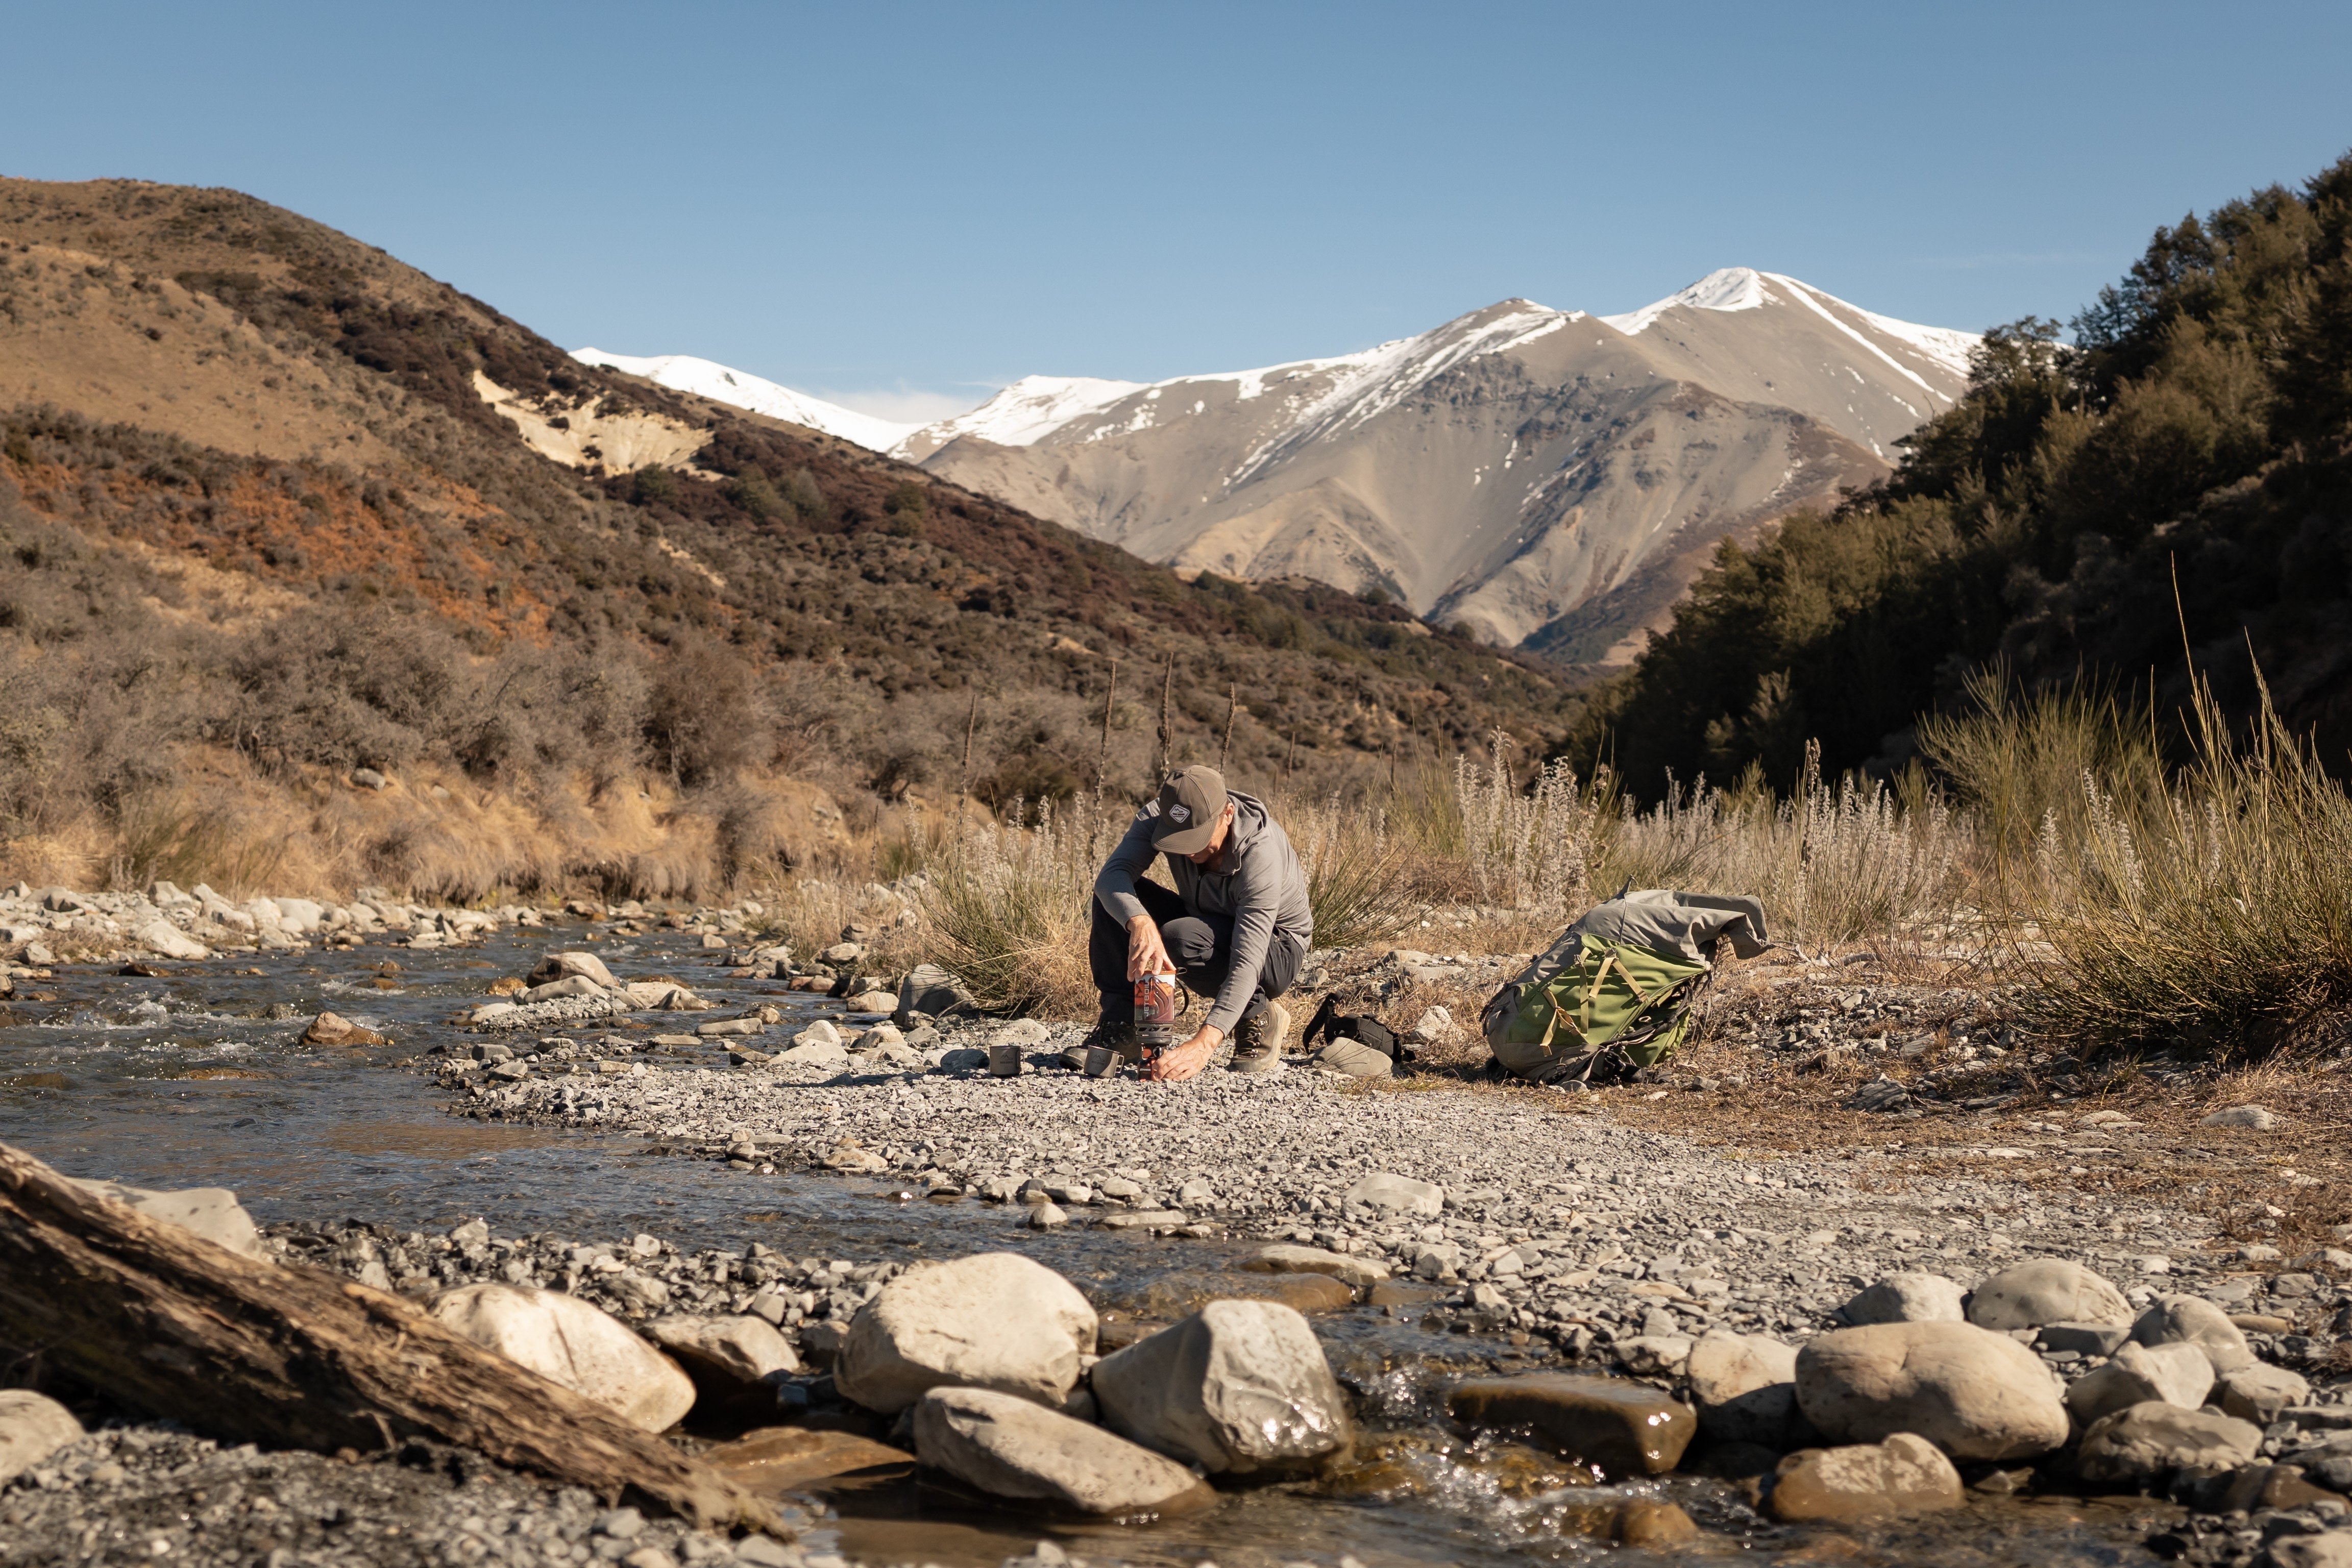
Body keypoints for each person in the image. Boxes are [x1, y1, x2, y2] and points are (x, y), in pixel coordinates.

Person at [1085, 765, 1313, 1082]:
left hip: (1276, 947)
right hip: (1206, 921)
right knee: (1117, 898)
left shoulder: (1261, 854)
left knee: (1181, 938)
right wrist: (1139, 922)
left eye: (1198, 838)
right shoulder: (1157, 817)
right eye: (1178, 839)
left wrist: (1203, 1044)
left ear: (1228, 814)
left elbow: (1248, 960)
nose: (1189, 850)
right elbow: (1111, 877)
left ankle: (1258, 1012)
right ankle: (1124, 1024)